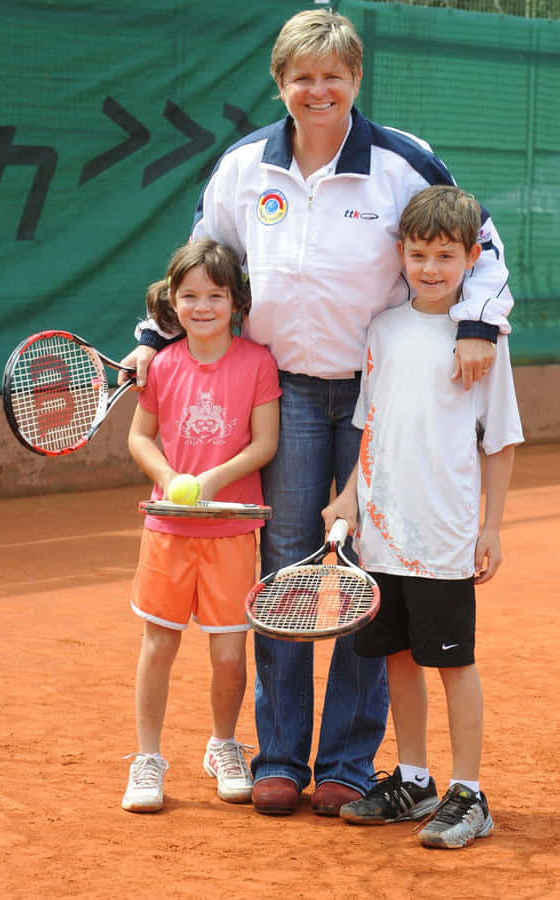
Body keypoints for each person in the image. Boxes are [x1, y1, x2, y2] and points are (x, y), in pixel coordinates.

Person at [120, 9, 513, 817]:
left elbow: (482, 246)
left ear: (356, 79)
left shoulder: (401, 161)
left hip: (380, 396)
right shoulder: (240, 169)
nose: (318, 90)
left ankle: (346, 762)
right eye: (302, 77)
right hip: (287, 393)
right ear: (279, 84)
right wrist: (151, 340)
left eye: (333, 75)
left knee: (368, 573)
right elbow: (205, 264)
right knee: (286, 570)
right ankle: (280, 756)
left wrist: (477, 324)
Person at [322, 185, 523, 848]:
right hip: (380, 537)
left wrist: (490, 527)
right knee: (397, 662)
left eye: (444, 255)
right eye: (417, 254)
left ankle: (469, 792)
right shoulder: (381, 329)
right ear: (400, 256)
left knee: (451, 663)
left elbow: (499, 443)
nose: (430, 267)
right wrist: (350, 497)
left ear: (471, 258)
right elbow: (369, 424)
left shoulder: (481, 343)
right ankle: (413, 780)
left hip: (442, 538)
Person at [122, 239, 281, 813]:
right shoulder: (160, 364)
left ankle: (223, 745)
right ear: (171, 303)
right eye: (189, 296)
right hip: (168, 531)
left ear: (236, 301)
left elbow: (265, 443)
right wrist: (169, 478)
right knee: (158, 645)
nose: (202, 306)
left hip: (231, 532)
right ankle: (147, 758)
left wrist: (210, 482)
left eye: (215, 295)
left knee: (228, 658)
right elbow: (140, 436)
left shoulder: (257, 362)